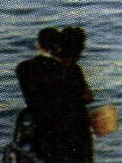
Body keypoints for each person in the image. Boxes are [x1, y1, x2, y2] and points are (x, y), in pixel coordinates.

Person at [16, 25, 94, 163]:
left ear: (38, 45)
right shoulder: (70, 70)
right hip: (73, 133)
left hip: (43, 131)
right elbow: (87, 97)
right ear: (58, 47)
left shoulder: (24, 67)